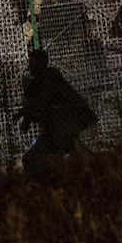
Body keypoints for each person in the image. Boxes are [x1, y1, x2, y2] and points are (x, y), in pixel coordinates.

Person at [17, 48, 96, 177]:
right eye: (30, 61)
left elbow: (43, 101)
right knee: (74, 154)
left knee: (38, 159)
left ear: (41, 63)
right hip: (59, 130)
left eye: (33, 61)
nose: (30, 65)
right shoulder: (43, 81)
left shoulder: (49, 80)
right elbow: (36, 106)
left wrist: (27, 111)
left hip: (60, 130)